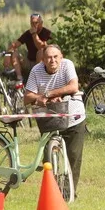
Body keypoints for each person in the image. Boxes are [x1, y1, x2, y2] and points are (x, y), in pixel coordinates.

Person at [23, 44, 86, 194]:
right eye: (49, 58)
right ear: (43, 60)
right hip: (49, 119)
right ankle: (51, 193)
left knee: (73, 157)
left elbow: (73, 87)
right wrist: (41, 98)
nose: (52, 60)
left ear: (61, 57)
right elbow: (27, 97)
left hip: (74, 117)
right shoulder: (36, 71)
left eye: (55, 57)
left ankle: (69, 193)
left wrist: (50, 94)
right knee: (48, 160)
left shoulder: (67, 65)